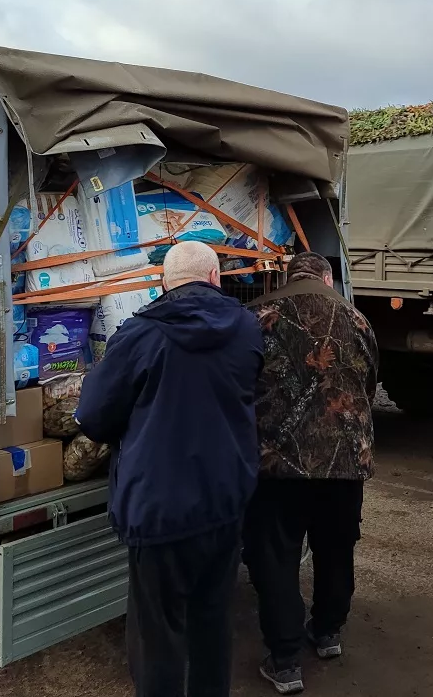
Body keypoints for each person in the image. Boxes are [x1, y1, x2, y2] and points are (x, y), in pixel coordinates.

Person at [75, 240, 263, 697]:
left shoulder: (140, 334)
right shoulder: (246, 328)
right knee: (213, 624)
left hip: (160, 512)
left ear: (163, 282)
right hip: (224, 503)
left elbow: (94, 416)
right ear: (216, 278)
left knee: (158, 640)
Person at [242, 252, 378, 695]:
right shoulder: (358, 319)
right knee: (336, 548)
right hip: (343, 464)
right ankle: (327, 633)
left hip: (278, 465)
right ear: (327, 278)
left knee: (276, 558)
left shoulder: (260, 316)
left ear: (288, 277)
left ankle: (284, 662)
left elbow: (241, 384)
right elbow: (370, 381)